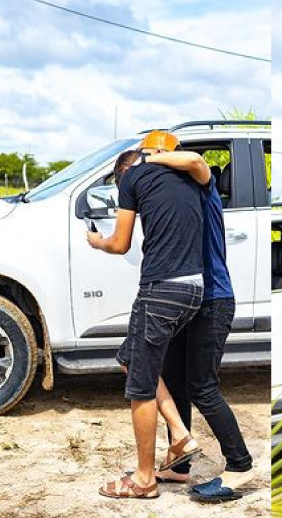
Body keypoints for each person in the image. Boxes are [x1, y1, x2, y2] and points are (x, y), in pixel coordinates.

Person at [136, 140, 254, 503]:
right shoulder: (171, 195)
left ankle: (240, 465)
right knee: (174, 380)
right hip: (188, 300)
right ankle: (181, 463)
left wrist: (151, 162)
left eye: (155, 158)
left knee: (203, 386)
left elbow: (194, 160)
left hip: (214, 299)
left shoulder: (200, 186)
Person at [88, 148, 205, 499]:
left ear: (123, 171)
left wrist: (98, 243)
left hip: (160, 290)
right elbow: (198, 162)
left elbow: (121, 243)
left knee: (140, 385)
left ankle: (144, 480)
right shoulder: (187, 177)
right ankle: (180, 435)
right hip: (194, 290)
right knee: (131, 359)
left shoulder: (132, 177)